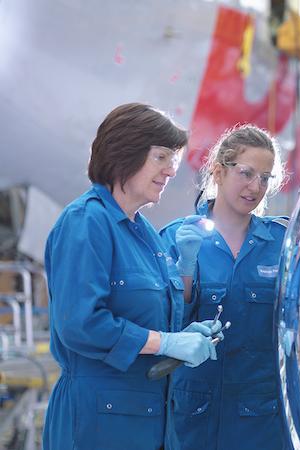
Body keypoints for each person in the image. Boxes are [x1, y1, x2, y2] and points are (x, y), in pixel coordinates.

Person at [43, 103, 223, 450]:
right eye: (161, 157)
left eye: (173, 159)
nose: (171, 171)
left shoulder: (144, 233)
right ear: (125, 152)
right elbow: (80, 325)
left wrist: (183, 334)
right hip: (98, 424)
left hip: (149, 423)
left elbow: (149, 318)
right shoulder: (86, 222)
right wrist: (166, 343)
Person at [161, 124, 288, 449]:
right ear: (218, 171)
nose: (255, 186)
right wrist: (184, 269)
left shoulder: (281, 243)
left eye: (265, 177)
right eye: (246, 173)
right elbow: (165, 323)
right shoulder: (177, 238)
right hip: (193, 412)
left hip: (259, 417)